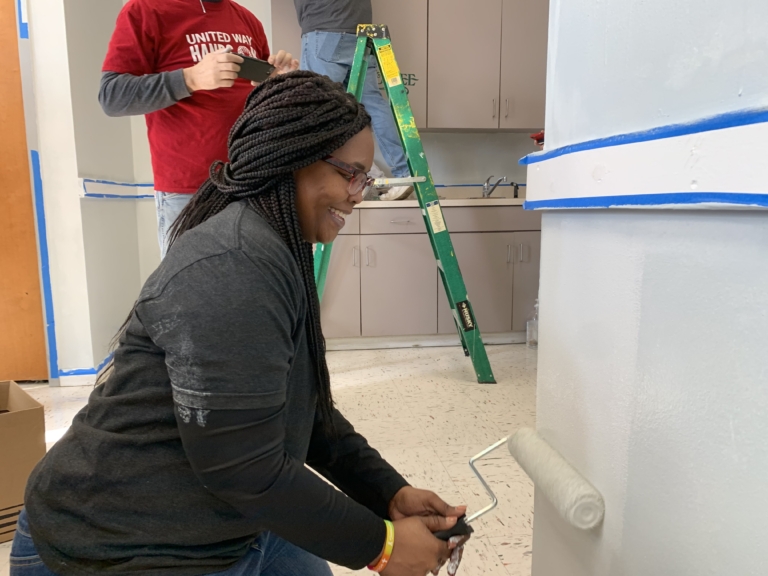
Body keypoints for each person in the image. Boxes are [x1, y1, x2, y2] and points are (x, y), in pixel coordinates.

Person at [12, 72, 467, 576]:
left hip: (223, 520)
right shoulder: (232, 265)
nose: (358, 194)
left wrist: (388, 492)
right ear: (294, 158)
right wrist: (381, 547)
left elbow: (303, 410)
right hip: (114, 543)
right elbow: (243, 467)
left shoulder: (277, 250)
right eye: (352, 174)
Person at [99, 0, 299, 258]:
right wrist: (190, 78)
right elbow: (112, 96)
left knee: (252, 282)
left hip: (254, 184)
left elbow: (257, 104)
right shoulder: (146, 10)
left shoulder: (248, 21)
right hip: (189, 192)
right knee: (191, 282)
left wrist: (280, 86)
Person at [295, 0, 414, 201]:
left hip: (324, 31)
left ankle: (326, 181)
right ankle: (402, 173)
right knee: (373, 103)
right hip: (360, 34)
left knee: (317, 109)